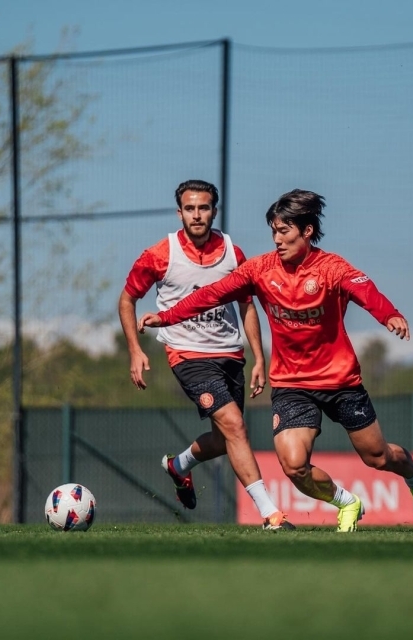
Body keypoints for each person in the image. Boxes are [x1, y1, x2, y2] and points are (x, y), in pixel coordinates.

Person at [138, 189, 413, 532]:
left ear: (306, 231)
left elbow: (366, 292)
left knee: (378, 457)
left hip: (341, 382)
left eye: (284, 232)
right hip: (292, 385)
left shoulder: (332, 268)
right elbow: (211, 295)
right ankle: (347, 502)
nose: (277, 240)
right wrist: (168, 316)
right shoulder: (261, 269)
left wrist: (390, 316)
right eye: (274, 232)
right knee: (294, 466)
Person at [119, 179, 294, 531]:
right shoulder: (159, 255)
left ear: (214, 210)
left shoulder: (234, 253)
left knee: (225, 437)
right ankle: (271, 514)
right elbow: (127, 300)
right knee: (235, 426)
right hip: (187, 355)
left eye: (204, 208)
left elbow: (247, 306)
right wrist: (135, 351)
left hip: (230, 355)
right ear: (179, 212)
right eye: (190, 208)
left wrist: (260, 357)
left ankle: (178, 466)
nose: (197, 215)